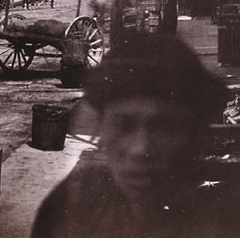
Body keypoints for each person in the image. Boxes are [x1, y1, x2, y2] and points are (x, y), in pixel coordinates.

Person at [30, 35, 229, 238]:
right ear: (102, 128)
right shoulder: (70, 207)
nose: (141, 149)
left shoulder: (228, 219)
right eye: (123, 125)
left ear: (193, 136)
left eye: (165, 127)